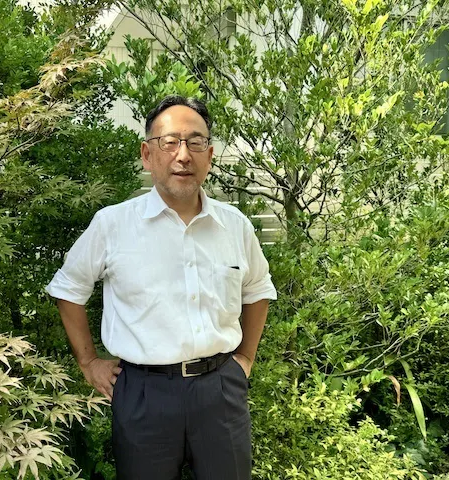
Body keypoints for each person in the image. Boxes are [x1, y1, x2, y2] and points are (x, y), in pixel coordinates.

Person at [46, 95, 277, 480]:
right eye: (169, 142)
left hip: (221, 390)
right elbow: (69, 289)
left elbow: (257, 291)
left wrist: (246, 359)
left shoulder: (235, 225)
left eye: (195, 142)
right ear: (147, 155)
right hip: (144, 395)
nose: (183, 155)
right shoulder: (113, 225)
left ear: (210, 155)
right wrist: (89, 363)